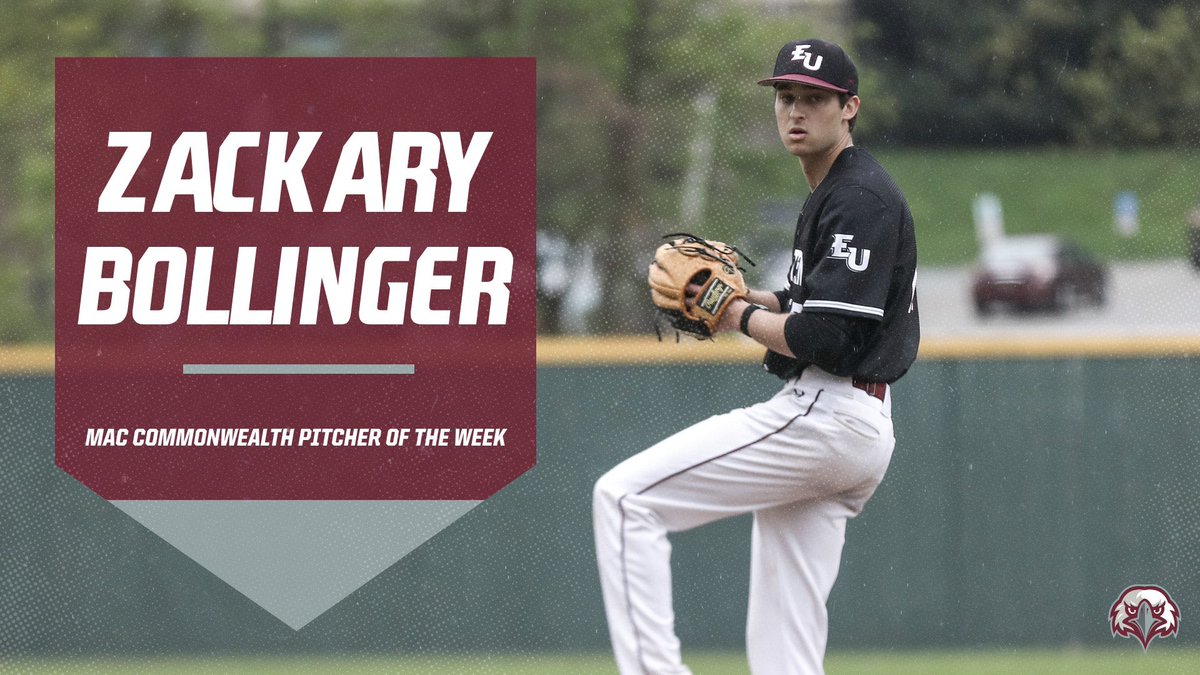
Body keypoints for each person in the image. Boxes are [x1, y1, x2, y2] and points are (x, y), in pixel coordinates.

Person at [592, 39, 920, 675]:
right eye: (786, 98)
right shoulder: (839, 192)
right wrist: (748, 296)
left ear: (850, 107)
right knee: (784, 655)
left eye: (815, 99)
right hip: (853, 422)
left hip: (828, 415)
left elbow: (823, 336)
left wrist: (730, 310)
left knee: (626, 500)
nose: (796, 112)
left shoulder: (858, 198)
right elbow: (811, 304)